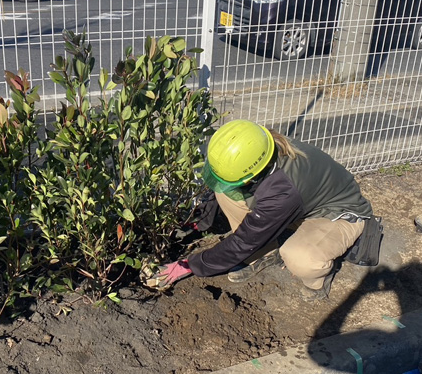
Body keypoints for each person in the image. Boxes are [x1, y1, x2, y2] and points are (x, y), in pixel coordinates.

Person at [149, 119, 373, 301]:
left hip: (336, 214)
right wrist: (198, 222)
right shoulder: (256, 146)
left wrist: (189, 265)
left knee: (299, 257)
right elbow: (223, 185)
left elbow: (243, 241)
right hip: (301, 203)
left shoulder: (282, 192)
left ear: (252, 176)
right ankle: (264, 253)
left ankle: (317, 281)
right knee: (226, 191)